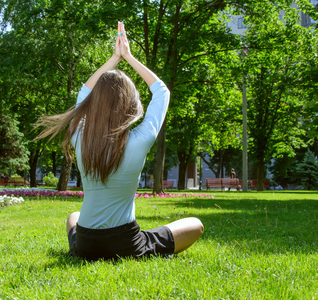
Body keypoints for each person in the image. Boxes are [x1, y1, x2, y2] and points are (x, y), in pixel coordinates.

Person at [36, 21, 203, 260]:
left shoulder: (80, 137)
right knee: (195, 224)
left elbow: (83, 95)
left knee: (74, 217)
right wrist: (129, 57)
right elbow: (162, 92)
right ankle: (144, 249)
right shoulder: (140, 139)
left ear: (93, 105)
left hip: (86, 244)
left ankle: (85, 248)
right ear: (130, 103)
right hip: (125, 243)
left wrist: (113, 59)